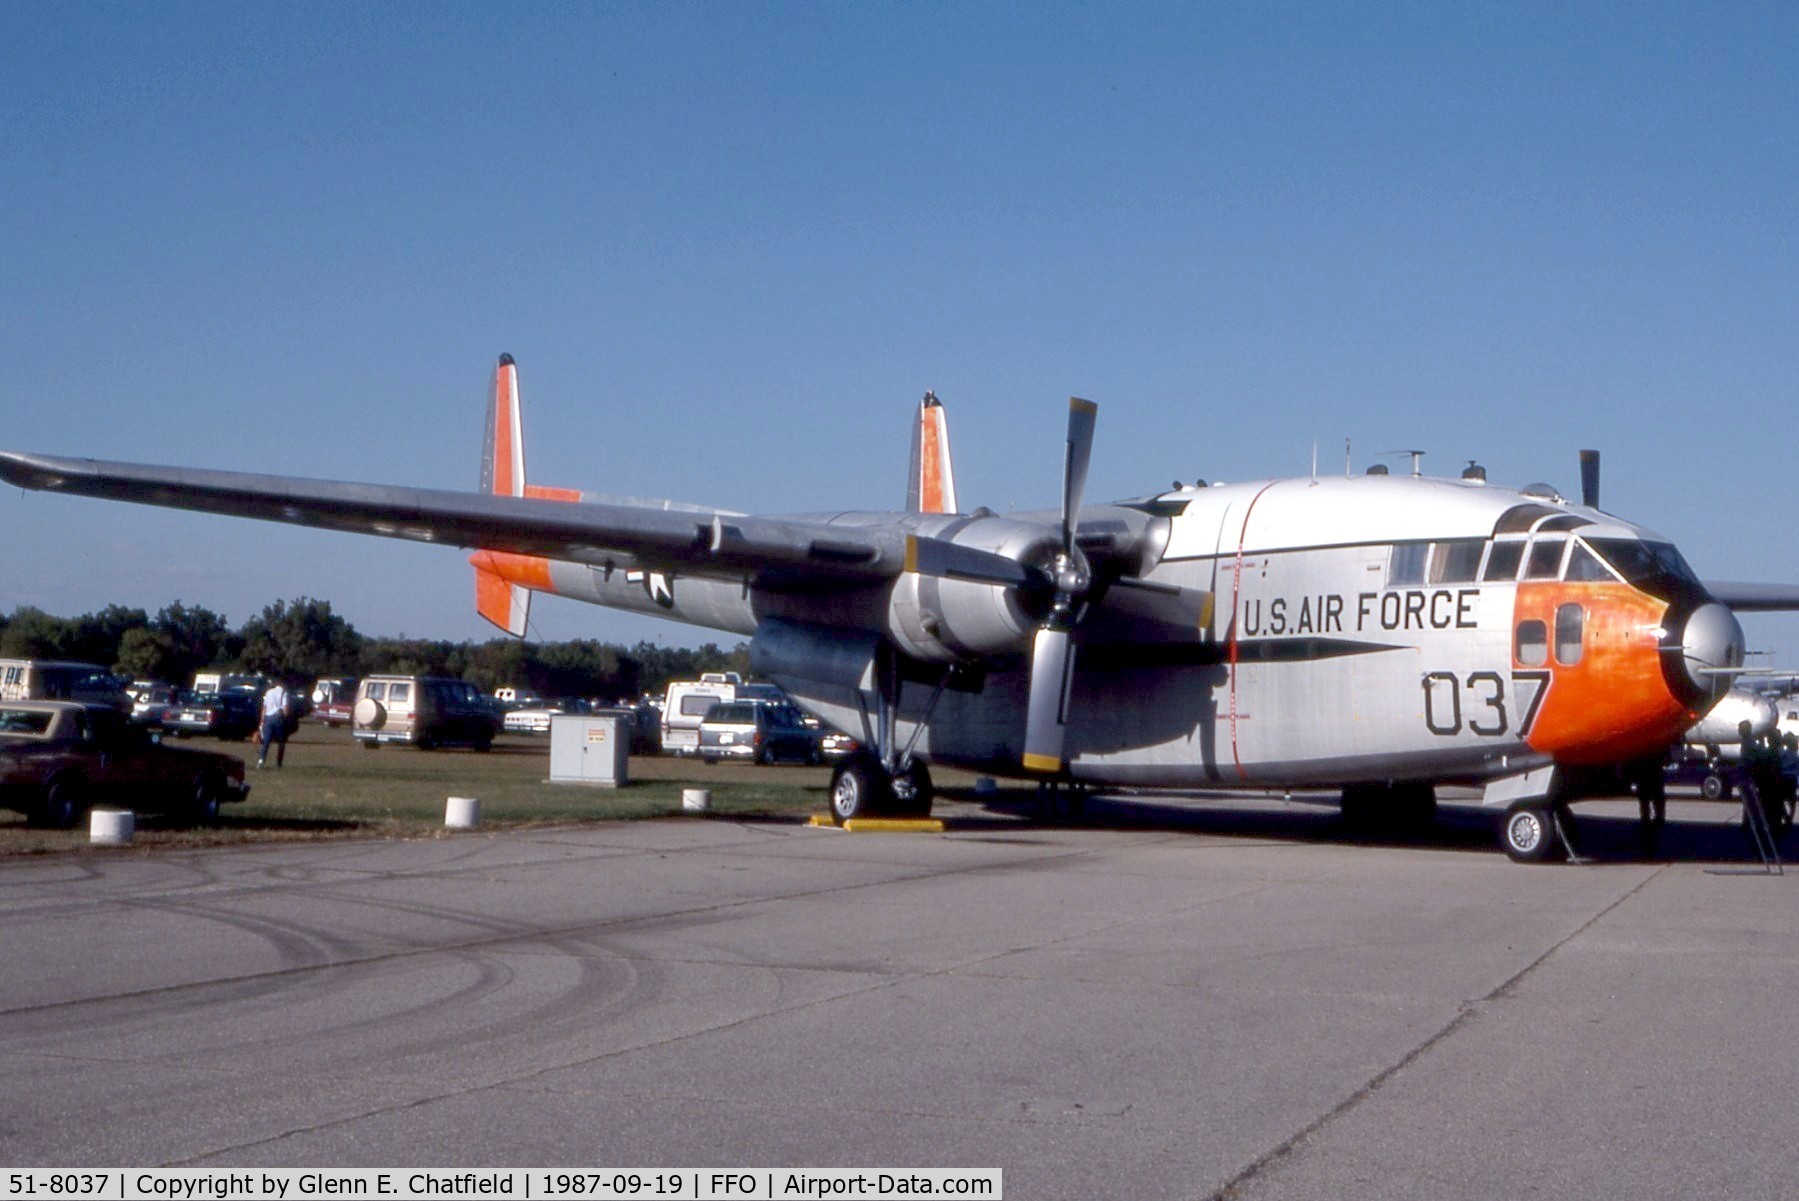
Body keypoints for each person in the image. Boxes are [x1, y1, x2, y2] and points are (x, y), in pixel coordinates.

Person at [258, 677, 292, 769]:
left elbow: (264, 708)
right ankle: (278, 762)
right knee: (281, 742)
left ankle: (261, 760)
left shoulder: (268, 692)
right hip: (278, 718)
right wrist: (286, 717)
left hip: (268, 718)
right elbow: (285, 709)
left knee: (266, 741)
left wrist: (262, 720)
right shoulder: (284, 693)